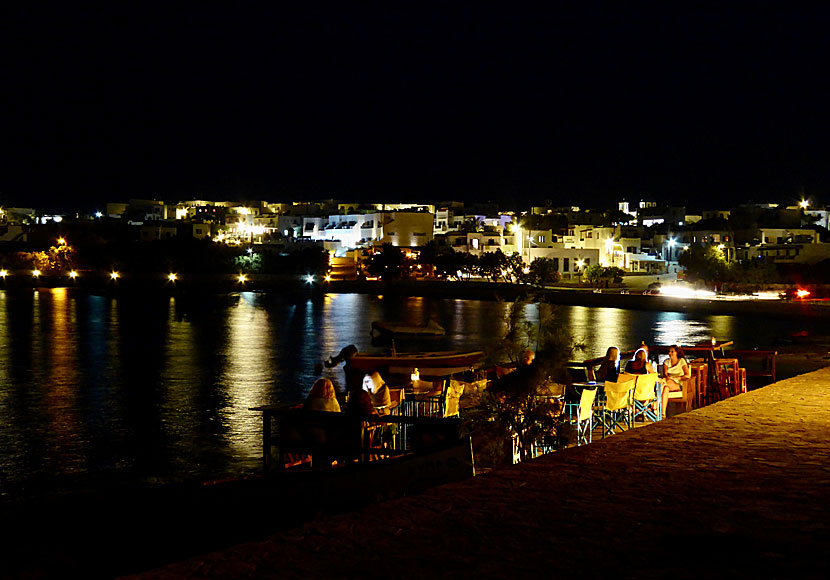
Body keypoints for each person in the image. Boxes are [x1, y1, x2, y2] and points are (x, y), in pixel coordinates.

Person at [660, 345, 690, 416]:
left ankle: (655, 407)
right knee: (665, 386)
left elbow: (687, 375)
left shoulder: (681, 361)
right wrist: (668, 378)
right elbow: (665, 374)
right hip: (668, 381)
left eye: (672, 351)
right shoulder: (667, 362)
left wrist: (677, 378)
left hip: (678, 383)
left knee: (663, 384)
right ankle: (662, 412)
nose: (670, 353)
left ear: (677, 353)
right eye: (669, 351)